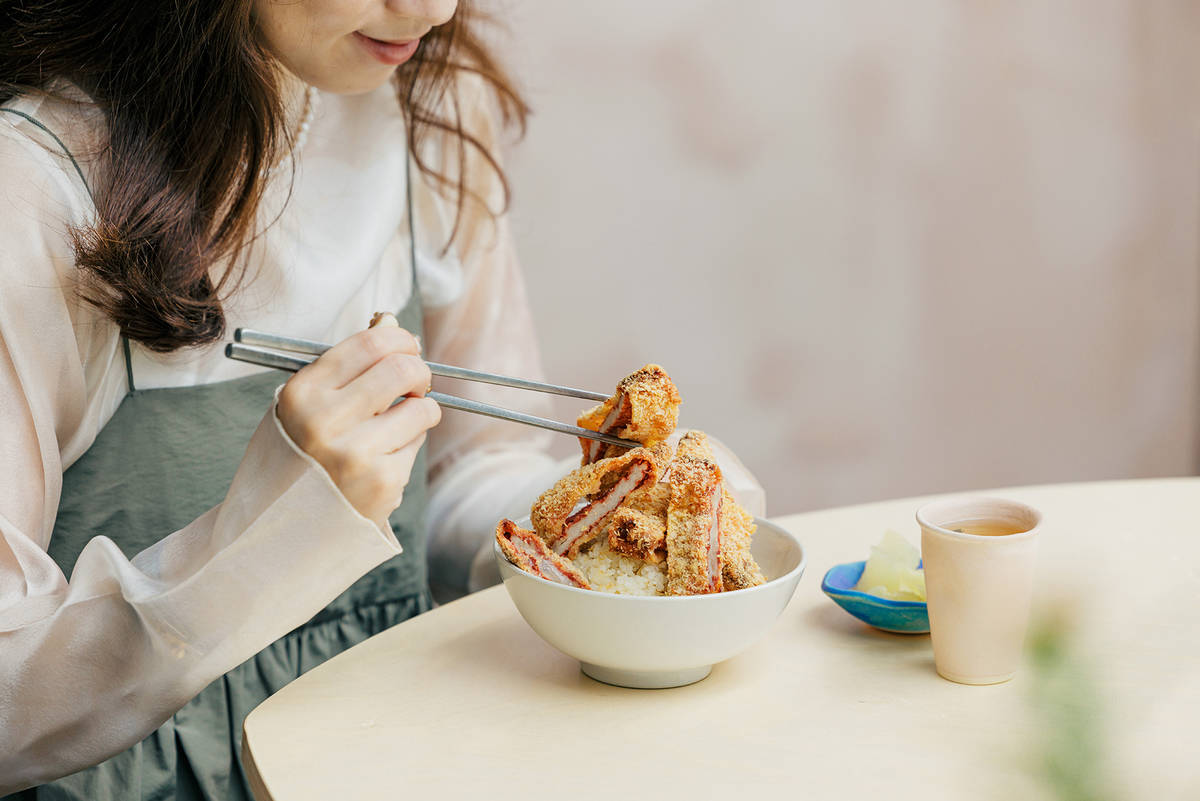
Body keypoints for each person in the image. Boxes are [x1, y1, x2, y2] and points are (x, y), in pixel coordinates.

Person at [0, 0, 569, 796]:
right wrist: (261, 542)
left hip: (392, 760)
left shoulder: (430, 98)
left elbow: (473, 470)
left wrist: (589, 519)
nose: (434, 10)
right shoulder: (34, 189)